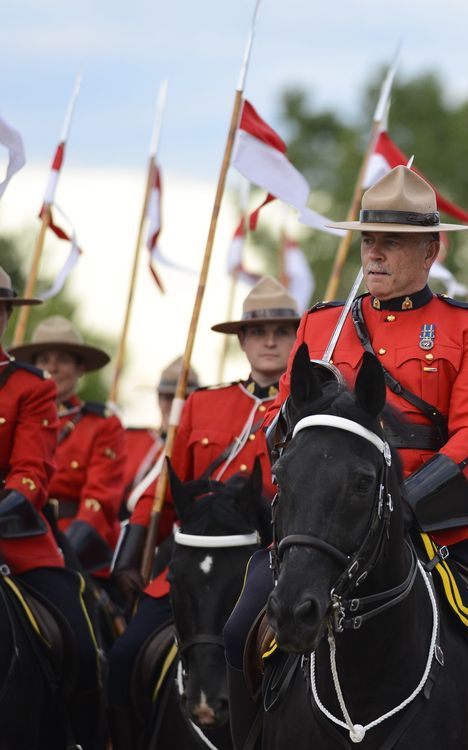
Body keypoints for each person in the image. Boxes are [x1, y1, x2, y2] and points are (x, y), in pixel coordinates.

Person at [225, 166, 468, 749]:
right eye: (369, 239)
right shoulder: (324, 324)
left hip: (448, 517)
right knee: (241, 624)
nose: (375, 253)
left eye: (392, 241)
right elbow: (286, 423)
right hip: (336, 517)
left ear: (430, 249)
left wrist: (405, 504)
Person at [107, 276, 297, 747]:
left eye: (281, 331)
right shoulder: (203, 403)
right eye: (258, 332)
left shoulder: (309, 409)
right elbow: (163, 494)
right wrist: (130, 557)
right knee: (124, 656)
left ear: (298, 338)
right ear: (242, 341)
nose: (269, 340)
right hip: (198, 569)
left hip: (273, 562)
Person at [0, 269, 103, 748]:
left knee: (81, 648)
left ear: (5, 315)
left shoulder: (29, 386)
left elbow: (30, 474)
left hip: (16, 539)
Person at [10, 316, 127, 582]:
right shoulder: (13, 417)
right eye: (44, 360)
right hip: (16, 531)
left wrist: (68, 549)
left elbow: (100, 499)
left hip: (77, 545)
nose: (53, 368)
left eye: (62, 360)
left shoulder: (102, 424)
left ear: (80, 368)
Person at [119, 356, 200, 517]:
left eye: (185, 398)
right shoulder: (132, 439)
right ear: (158, 399)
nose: (175, 405)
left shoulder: (198, 448)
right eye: (168, 397)